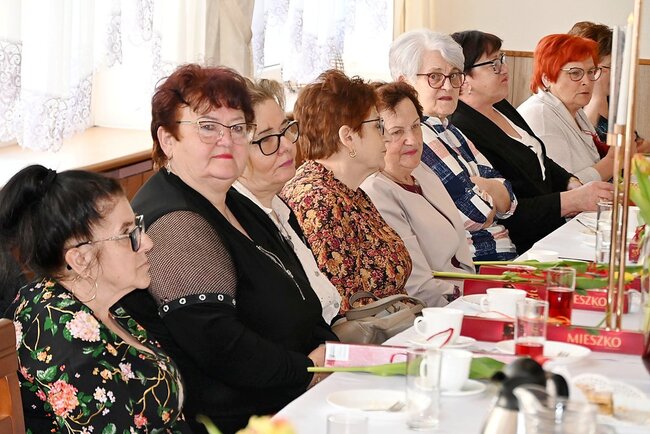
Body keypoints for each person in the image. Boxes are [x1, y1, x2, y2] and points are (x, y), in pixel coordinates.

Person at [120, 64, 337, 434]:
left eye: (238, 128)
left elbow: (301, 295)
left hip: (297, 399)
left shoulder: (234, 200)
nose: (227, 140)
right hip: (237, 421)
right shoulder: (175, 224)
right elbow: (220, 347)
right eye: (208, 127)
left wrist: (330, 351)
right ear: (168, 139)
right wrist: (309, 370)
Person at [0, 165, 189, 433]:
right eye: (128, 234)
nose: (147, 243)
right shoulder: (65, 344)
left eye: (138, 226)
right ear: (80, 259)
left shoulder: (95, 299)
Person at [449, 30, 614, 253]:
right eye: (493, 64)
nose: (504, 68)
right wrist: (572, 200)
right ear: (463, 77)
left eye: (502, 59)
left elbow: (539, 158)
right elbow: (508, 210)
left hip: (552, 229)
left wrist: (570, 181)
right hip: (524, 244)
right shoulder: (463, 127)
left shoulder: (499, 105)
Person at [280, 69, 412, 313]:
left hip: (397, 325)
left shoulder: (347, 191)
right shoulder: (317, 201)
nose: (386, 138)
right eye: (378, 126)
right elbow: (343, 308)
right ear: (348, 137)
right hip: (375, 334)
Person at [388, 29, 518, 261]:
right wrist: (486, 187)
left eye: (454, 75)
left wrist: (480, 185)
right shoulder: (417, 138)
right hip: (474, 269)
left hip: (502, 260)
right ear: (404, 83)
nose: (448, 86)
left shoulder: (450, 129)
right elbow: (476, 214)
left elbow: (510, 198)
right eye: (435, 77)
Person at [234, 77, 342, 324]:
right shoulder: (238, 222)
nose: (285, 146)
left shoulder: (279, 206)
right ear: (232, 152)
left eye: (285, 129)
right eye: (266, 139)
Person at [361, 81, 475, 306]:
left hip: (466, 291)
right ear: (374, 136)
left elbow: (460, 253)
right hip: (437, 310)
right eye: (397, 132)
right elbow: (418, 287)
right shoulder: (376, 191)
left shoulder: (421, 170)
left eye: (415, 126)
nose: (412, 140)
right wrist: (475, 301)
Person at [517, 34, 616, 183]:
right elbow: (563, 187)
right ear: (547, 78)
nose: (587, 81)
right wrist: (613, 162)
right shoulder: (540, 116)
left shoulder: (575, 109)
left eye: (591, 72)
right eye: (575, 73)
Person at [568, 21, 649, 153]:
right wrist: (596, 99)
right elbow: (582, 151)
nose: (620, 74)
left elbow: (636, 143)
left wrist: (641, 146)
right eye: (612, 67)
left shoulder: (613, 101)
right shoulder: (571, 106)